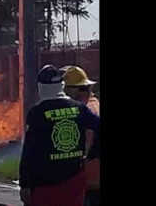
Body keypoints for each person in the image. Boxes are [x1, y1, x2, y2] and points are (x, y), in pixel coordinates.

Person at [19, 65, 100, 206]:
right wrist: (93, 153)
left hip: (44, 184)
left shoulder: (37, 113)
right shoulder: (79, 108)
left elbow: (29, 152)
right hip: (74, 180)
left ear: (40, 88)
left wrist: (25, 184)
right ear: (62, 85)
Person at [62, 66, 100, 206]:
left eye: (66, 89)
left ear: (72, 90)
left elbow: (88, 142)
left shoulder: (83, 111)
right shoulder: (93, 105)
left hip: (87, 180)